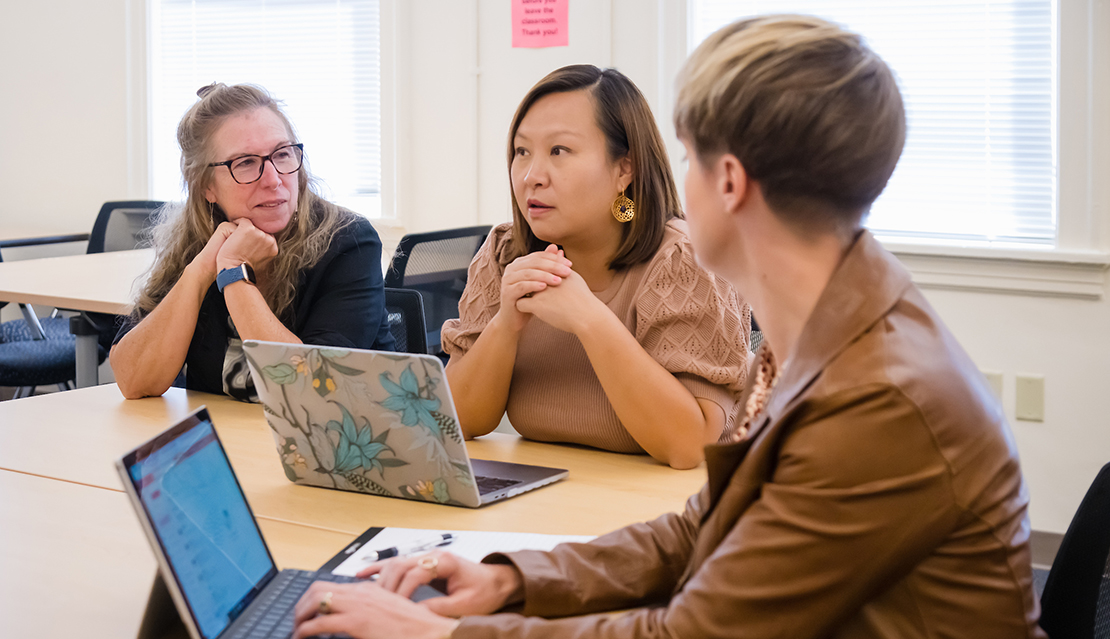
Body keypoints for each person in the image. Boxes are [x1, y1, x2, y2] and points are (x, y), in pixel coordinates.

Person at [290, 15, 1045, 639]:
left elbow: (692, 635)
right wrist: (511, 578)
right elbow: (703, 526)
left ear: (729, 183)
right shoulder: (832, 326)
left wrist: (439, 633)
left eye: (686, 157)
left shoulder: (877, 397)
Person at [441, 65, 752, 470]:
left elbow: (688, 446)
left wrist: (589, 317)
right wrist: (505, 323)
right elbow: (456, 423)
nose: (532, 176)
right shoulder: (505, 253)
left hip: (680, 509)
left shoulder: (683, 259)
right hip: (556, 499)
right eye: (522, 152)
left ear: (625, 168)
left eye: (559, 151)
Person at [111, 83, 394, 401]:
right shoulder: (196, 244)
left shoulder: (347, 240)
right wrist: (200, 271)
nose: (273, 179)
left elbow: (312, 392)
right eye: (245, 162)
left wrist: (233, 272)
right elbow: (134, 381)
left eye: (283, 154)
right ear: (208, 187)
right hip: (231, 443)